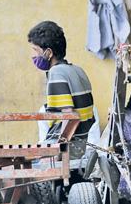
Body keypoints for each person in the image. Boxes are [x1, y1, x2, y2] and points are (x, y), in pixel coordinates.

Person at [27, 21, 95, 158]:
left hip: (68, 150)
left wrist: (59, 152)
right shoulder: (78, 70)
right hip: (81, 146)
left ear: (49, 53)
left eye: (35, 50)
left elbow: (69, 116)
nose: (33, 55)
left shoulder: (57, 73)